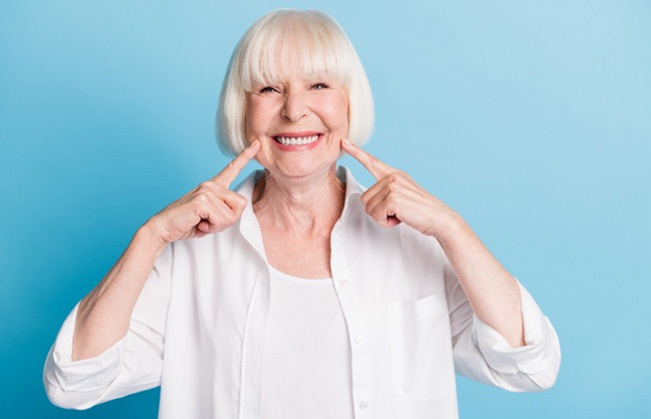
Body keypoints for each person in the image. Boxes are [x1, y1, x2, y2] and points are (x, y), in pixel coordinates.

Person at [44, 9, 560, 419]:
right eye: (269, 88)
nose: (294, 110)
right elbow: (73, 383)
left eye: (319, 85)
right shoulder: (188, 257)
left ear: (350, 104)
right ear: (241, 109)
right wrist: (150, 237)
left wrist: (452, 228)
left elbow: (530, 366)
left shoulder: (416, 241)